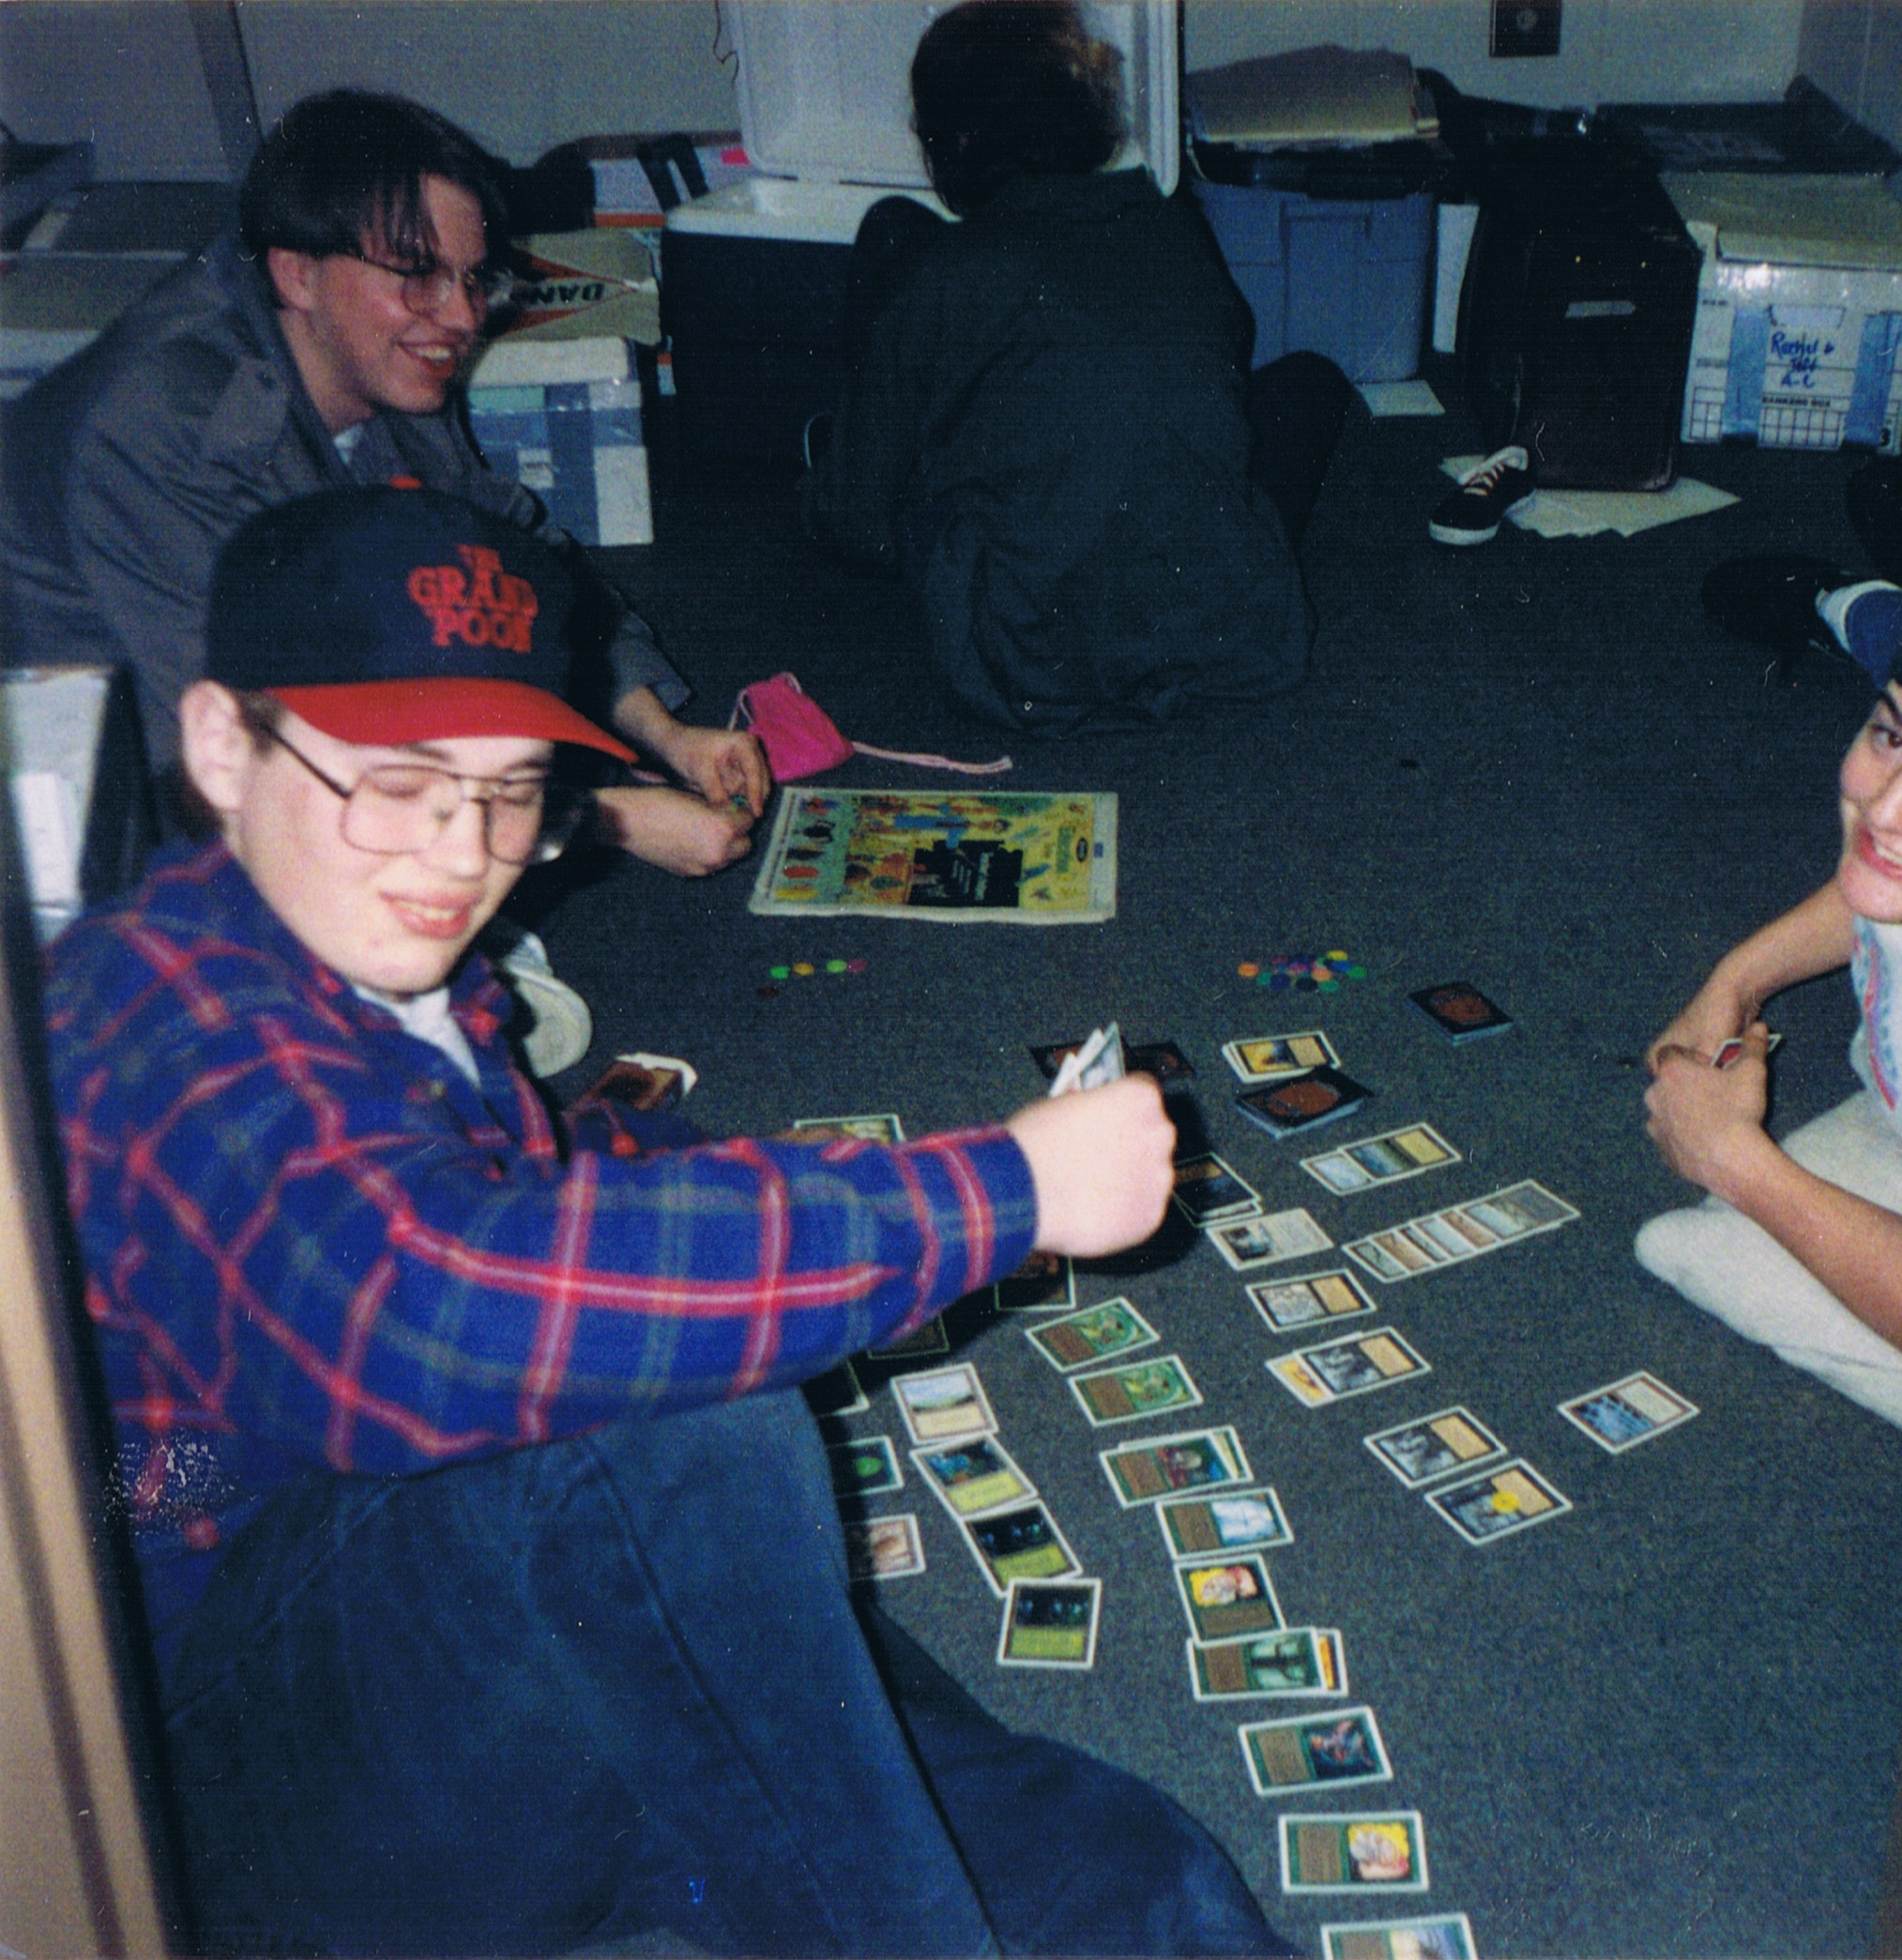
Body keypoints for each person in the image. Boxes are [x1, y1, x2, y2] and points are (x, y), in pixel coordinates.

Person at [47, 486, 1288, 1955]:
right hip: (215, 1796)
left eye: (511, 790)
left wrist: (732, 1175)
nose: (461, 854)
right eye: (399, 781)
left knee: (1131, 1878)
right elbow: (421, 1307)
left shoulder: (370, 962)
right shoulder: (160, 1014)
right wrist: (1001, 1190)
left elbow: (492, 1182)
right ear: (218, 747)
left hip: (428, 1632)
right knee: (666, 1434)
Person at [1, 88, 768, 878]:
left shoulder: (379, 356)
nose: (463, 316)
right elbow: (261, 768)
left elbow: (515, 566)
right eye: (421, 274)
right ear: (298, 273)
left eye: (474, 280)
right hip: (96, 837)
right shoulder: (164, 434)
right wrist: (602, 818)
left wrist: (663, 736)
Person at [803, 0, 1347, 737]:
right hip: (1224, 633)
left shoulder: (946, 274)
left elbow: (854, 530)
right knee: (1305, 384)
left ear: (956, 141)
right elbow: (1221, 376)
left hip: (1028, 658)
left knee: (892, 236)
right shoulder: (1175, 223)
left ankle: (851, 439)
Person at [1636, 568, 1902, 1452]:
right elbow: (1868, 888)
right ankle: (1847, 588)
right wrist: (1738, 979)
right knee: (1878, 624)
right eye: (1886, 735)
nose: (1886, 803)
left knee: (1698, 1249)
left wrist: (1737, 1161)